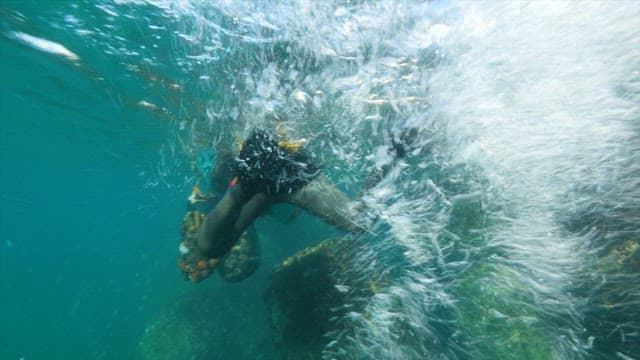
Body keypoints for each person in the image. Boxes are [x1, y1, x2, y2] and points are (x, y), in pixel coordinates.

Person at [178, 126, 413, 282]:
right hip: (281, 178)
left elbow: (220, 168)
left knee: (210, 244)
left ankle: (399, 144)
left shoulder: (214, 202)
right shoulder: (234, 221)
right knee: (358, 223)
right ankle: (398, 143)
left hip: (270, 174)